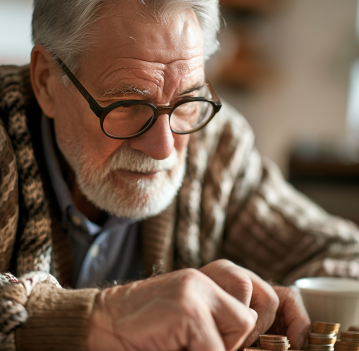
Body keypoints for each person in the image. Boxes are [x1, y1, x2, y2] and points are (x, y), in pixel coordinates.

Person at [1, 0, 359, 350]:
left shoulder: (216, 146)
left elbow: (346, 254)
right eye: (127, 104)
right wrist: (107, 314)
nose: (164, 148)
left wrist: (278, 298)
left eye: (186, 101)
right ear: (46, 81)